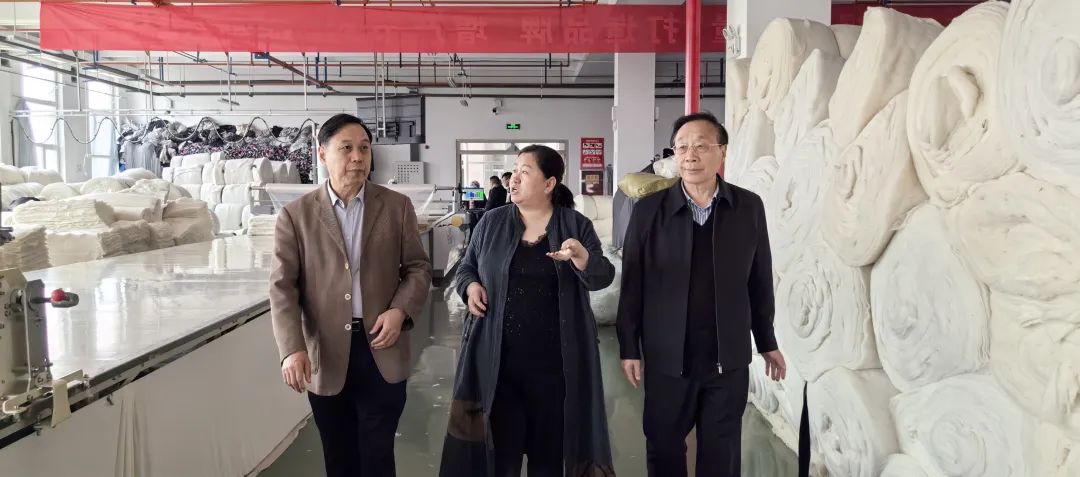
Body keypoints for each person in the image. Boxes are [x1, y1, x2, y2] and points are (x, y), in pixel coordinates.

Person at [616, 112, 787, 477]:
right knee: (663, 446)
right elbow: (632, 285)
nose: (690, 155)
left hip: (727, 356)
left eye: (701, 146)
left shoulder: (748, 207)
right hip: (667, 356)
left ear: (721, 152)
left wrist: (767, 340)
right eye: (681, 147)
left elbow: (759, 279)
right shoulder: (649, 211)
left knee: (721, 451)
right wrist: (629, 346)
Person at [270, 113, 432, 477]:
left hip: (381, 347)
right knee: (339, 455)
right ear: (322, 153)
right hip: (326, 353)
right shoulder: (296, 216)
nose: (358, 157)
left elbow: (418, 269)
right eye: (346, 148)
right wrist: (292, 349)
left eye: (364, 148)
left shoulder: (396, 207)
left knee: (378, 455)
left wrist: (399, 311)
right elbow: (283, 288)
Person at [441, 145, 617, 477]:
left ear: (549, 184)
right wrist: (471, 287)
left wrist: (582, 257)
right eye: (515, 170)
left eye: (525, 171)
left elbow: (602, 277)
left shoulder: (575, 225)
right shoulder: (492, 222)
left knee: (548, 462)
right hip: (498, 365)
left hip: (555, 371)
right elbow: (467, 267)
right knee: (500, 459)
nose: (514, 179)